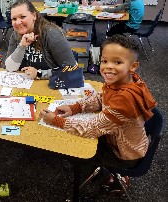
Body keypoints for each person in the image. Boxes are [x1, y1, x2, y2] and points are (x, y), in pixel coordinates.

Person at [40, 34, 157, 192]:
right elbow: (102, 98)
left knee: (74, 148)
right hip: (129, 141)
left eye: (117, 62)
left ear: (133, 66)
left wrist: (55, 120)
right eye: (104, 61)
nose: (108, 67)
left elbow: (90, 128)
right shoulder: (124, 80)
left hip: (124, 154)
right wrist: (75, 108)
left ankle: (117, 178)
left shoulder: (124, 99)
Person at [5, 0, 77, 80]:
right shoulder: (16, 34)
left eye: (22, 17)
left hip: (50, 84)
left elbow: (72, 70)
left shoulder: (52, 34)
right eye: (14, 19)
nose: (18, 22)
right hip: (26, 84)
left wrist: (40, 73)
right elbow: (9, 68)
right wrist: (21, 46)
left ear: (34, 16)